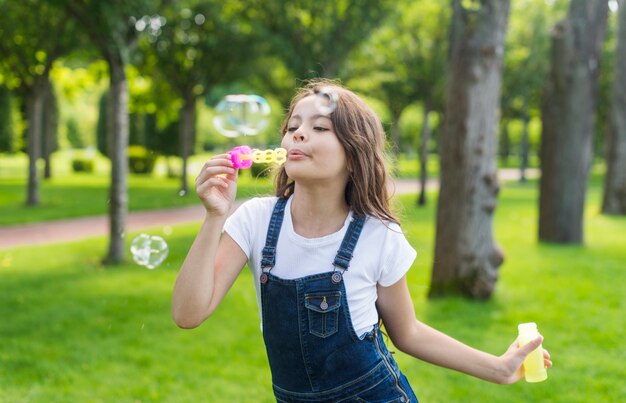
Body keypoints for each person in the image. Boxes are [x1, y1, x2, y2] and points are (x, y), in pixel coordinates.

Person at [172, 79, 552, 402]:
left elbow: (409, 333)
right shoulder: (255, 220)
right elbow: (188, 314)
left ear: (353, 156)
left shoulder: (377, 235)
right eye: (293, 127)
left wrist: (499, 369)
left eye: (320, 128)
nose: (299, 133)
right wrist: (214, 215)